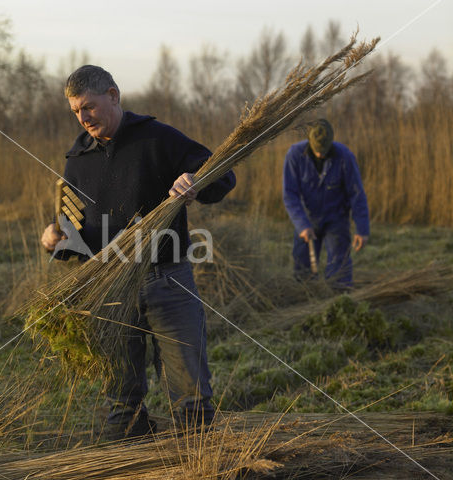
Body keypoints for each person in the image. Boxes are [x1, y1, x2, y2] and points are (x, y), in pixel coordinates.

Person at [40, 65, 236, 438]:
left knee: (192, 402)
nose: (83, 118)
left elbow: (222, 175)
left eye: (89, 107)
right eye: (76, 112)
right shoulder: (76, 161)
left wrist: (195, 180)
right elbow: (71, 232)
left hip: (166, 280)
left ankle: (199, 461)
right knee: (121, 408)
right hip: (108, 292)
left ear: (113, 95)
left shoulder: (157, 139)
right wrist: (55, 239)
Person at [282, 118, 369, 289]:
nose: (321, 154)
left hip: (336, 219)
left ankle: (338, 300)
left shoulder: (345, 156)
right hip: (306, 218)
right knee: (302, 268)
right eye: (317, 150)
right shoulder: (295, 155)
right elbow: (290, 194)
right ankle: (304, 300)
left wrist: (362, 229)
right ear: (309, 142)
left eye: (324, 150)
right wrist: (302, 225)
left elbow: (356, 194)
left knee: (339, 269)